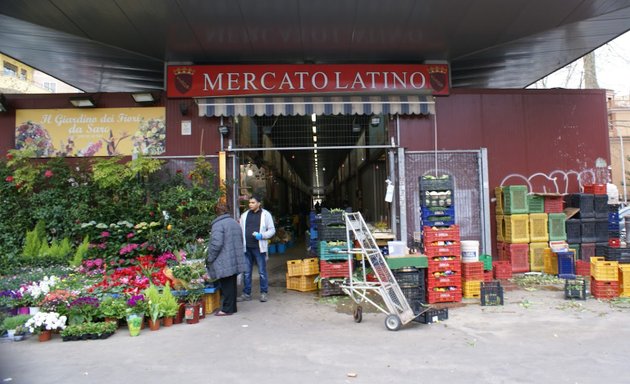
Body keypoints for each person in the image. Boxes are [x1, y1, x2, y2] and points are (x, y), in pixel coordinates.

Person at [206, 201, 248, 316]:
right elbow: (240, 239)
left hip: (224, 259)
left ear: (216, 212)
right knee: (231, 283)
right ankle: (232, 307)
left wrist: (210, 258)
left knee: (226, 284)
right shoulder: (234, 222)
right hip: (234, 257)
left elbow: (216, 244)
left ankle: (227, 309)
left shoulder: (218, 225)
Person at [238, 194, 276, 302]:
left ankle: (264, 293)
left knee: (262, 272)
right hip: (247, 248)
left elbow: (272, 230)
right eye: (249, 202)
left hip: (259, 248)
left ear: (259, 203)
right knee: (246, 272)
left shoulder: (266, 215)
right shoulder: (244, 215)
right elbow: (241, 230)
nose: (250, 204)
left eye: (253, 202)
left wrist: (262, 236)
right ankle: (246, 293)